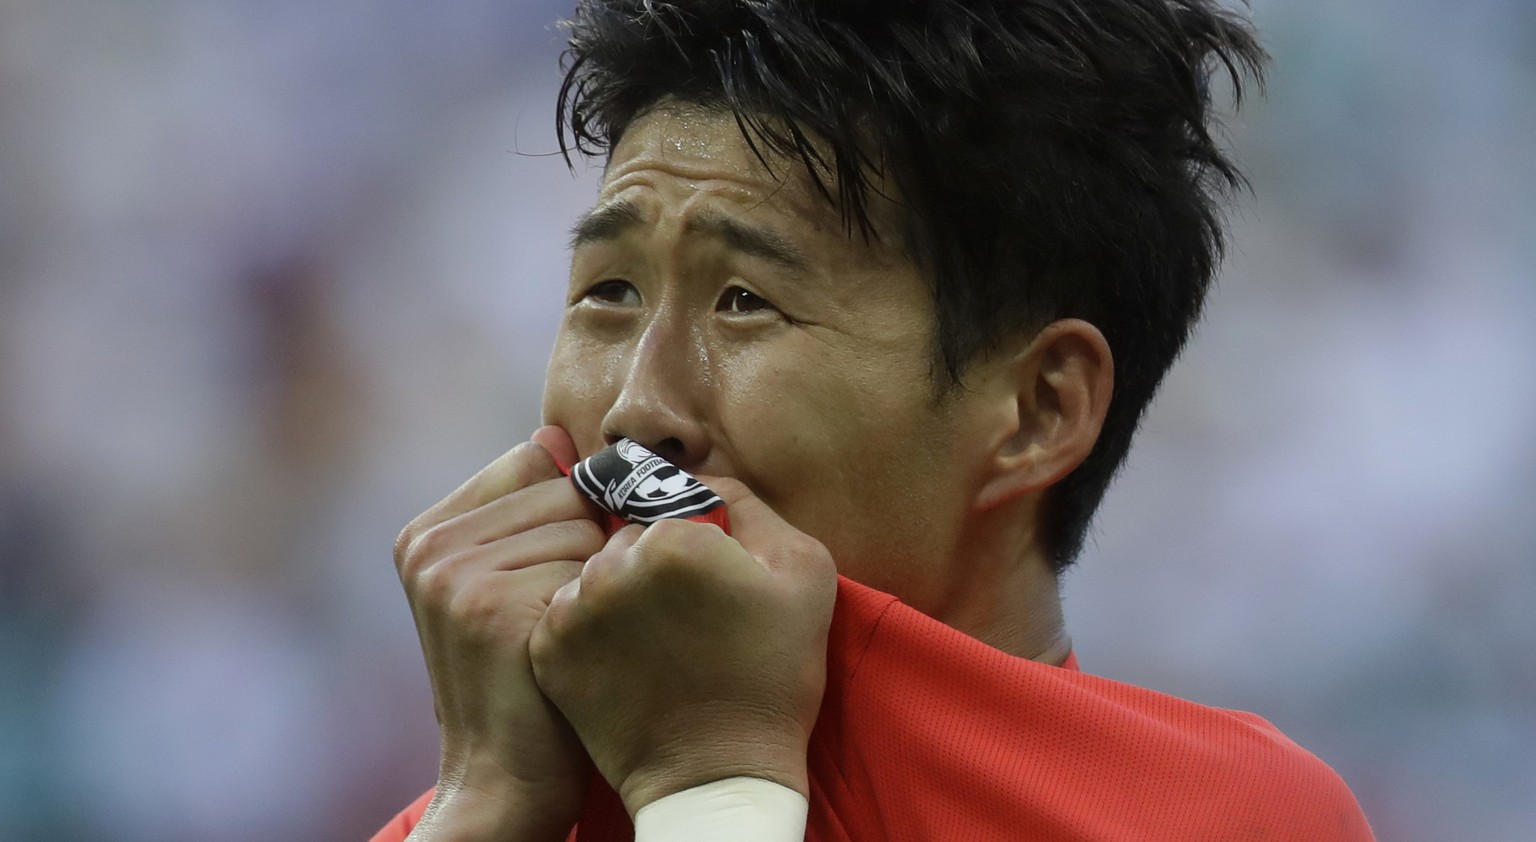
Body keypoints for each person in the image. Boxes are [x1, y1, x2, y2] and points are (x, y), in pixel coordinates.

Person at [374, 0, 1374, 839]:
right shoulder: (487, 811)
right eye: (610, 291)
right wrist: (485, 803)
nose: (639, 408)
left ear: (1037, 408)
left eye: (744, 302)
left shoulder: (1223, 817)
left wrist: (715, 787)